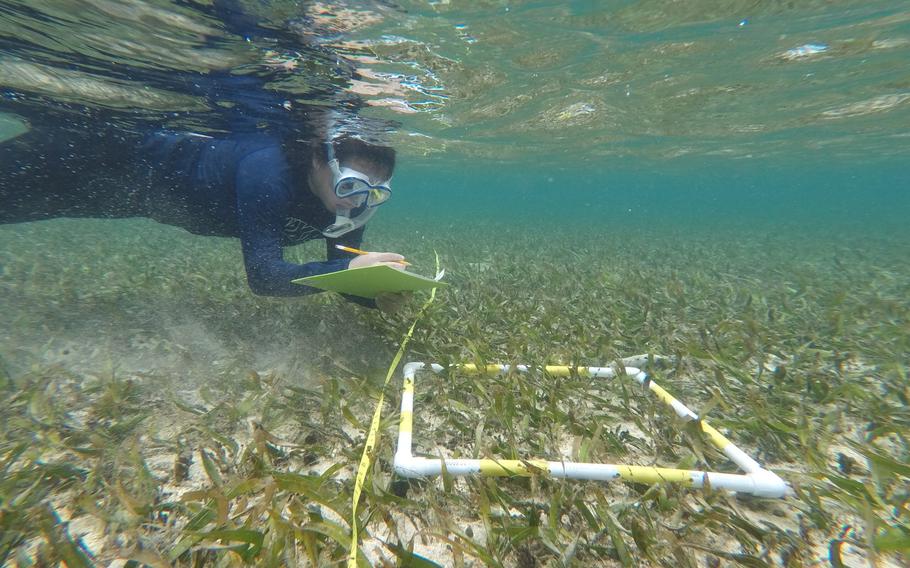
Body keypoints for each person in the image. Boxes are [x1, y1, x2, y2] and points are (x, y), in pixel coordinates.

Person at [0, 1, 409, 311]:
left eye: (373, 194)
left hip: (132, 199)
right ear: (319, 160)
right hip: (106, 154)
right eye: (351, 186)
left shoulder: (352, 204)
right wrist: (345, 274)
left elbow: (341, 265)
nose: (356, 201)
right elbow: (266, 277)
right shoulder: (267, 172)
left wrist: (373, 292)